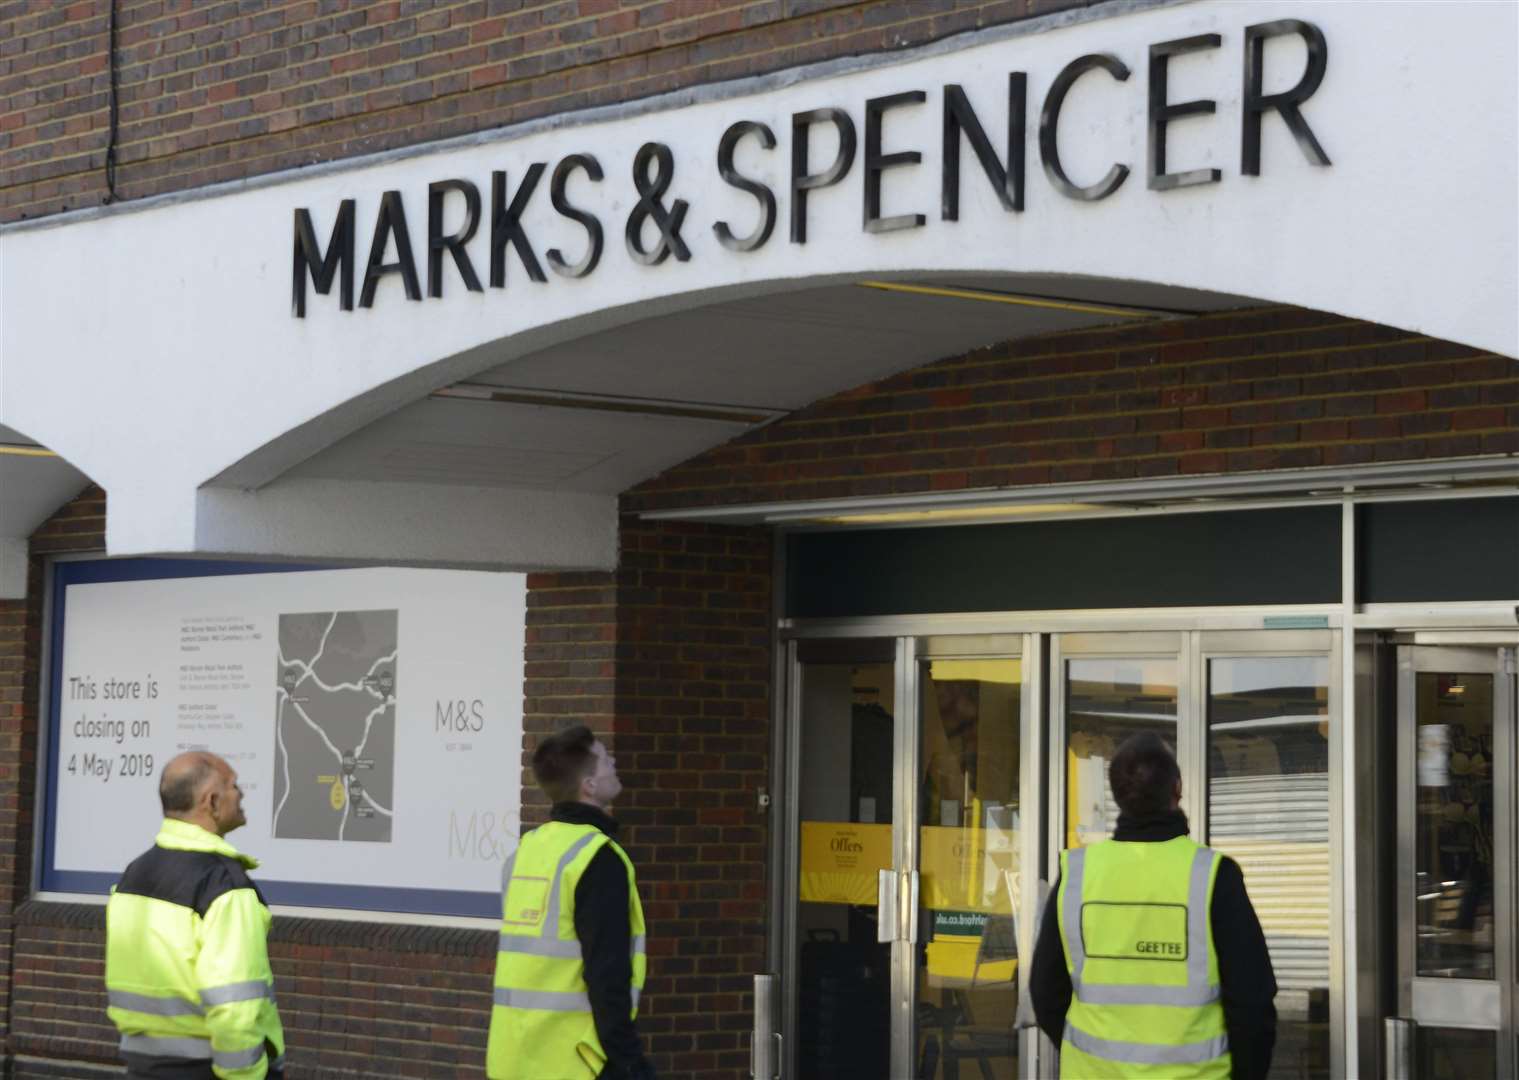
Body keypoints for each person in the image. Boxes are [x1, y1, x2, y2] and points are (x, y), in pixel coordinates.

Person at [1030, 732, 1276, 1079]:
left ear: (1117, 795)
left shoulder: (1077, 875)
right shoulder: (1214, 877)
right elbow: (1252, 1004)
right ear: (1177, 788)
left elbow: (1045, 994)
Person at [488, 725, 655, 1080]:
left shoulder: (524, 852)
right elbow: (606, 971)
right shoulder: (597, 858)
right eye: (606, 759)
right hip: (576, 1061)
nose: (614, 762)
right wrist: (629, 1062)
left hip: (513, 1059)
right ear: (589, 785)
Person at [105, 752, 285, 1080]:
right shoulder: (224, 886)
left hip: (143, 1067)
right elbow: (234, 1005)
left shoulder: (135, 874)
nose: (242, 794)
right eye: (234, 786)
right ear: (211, 802)